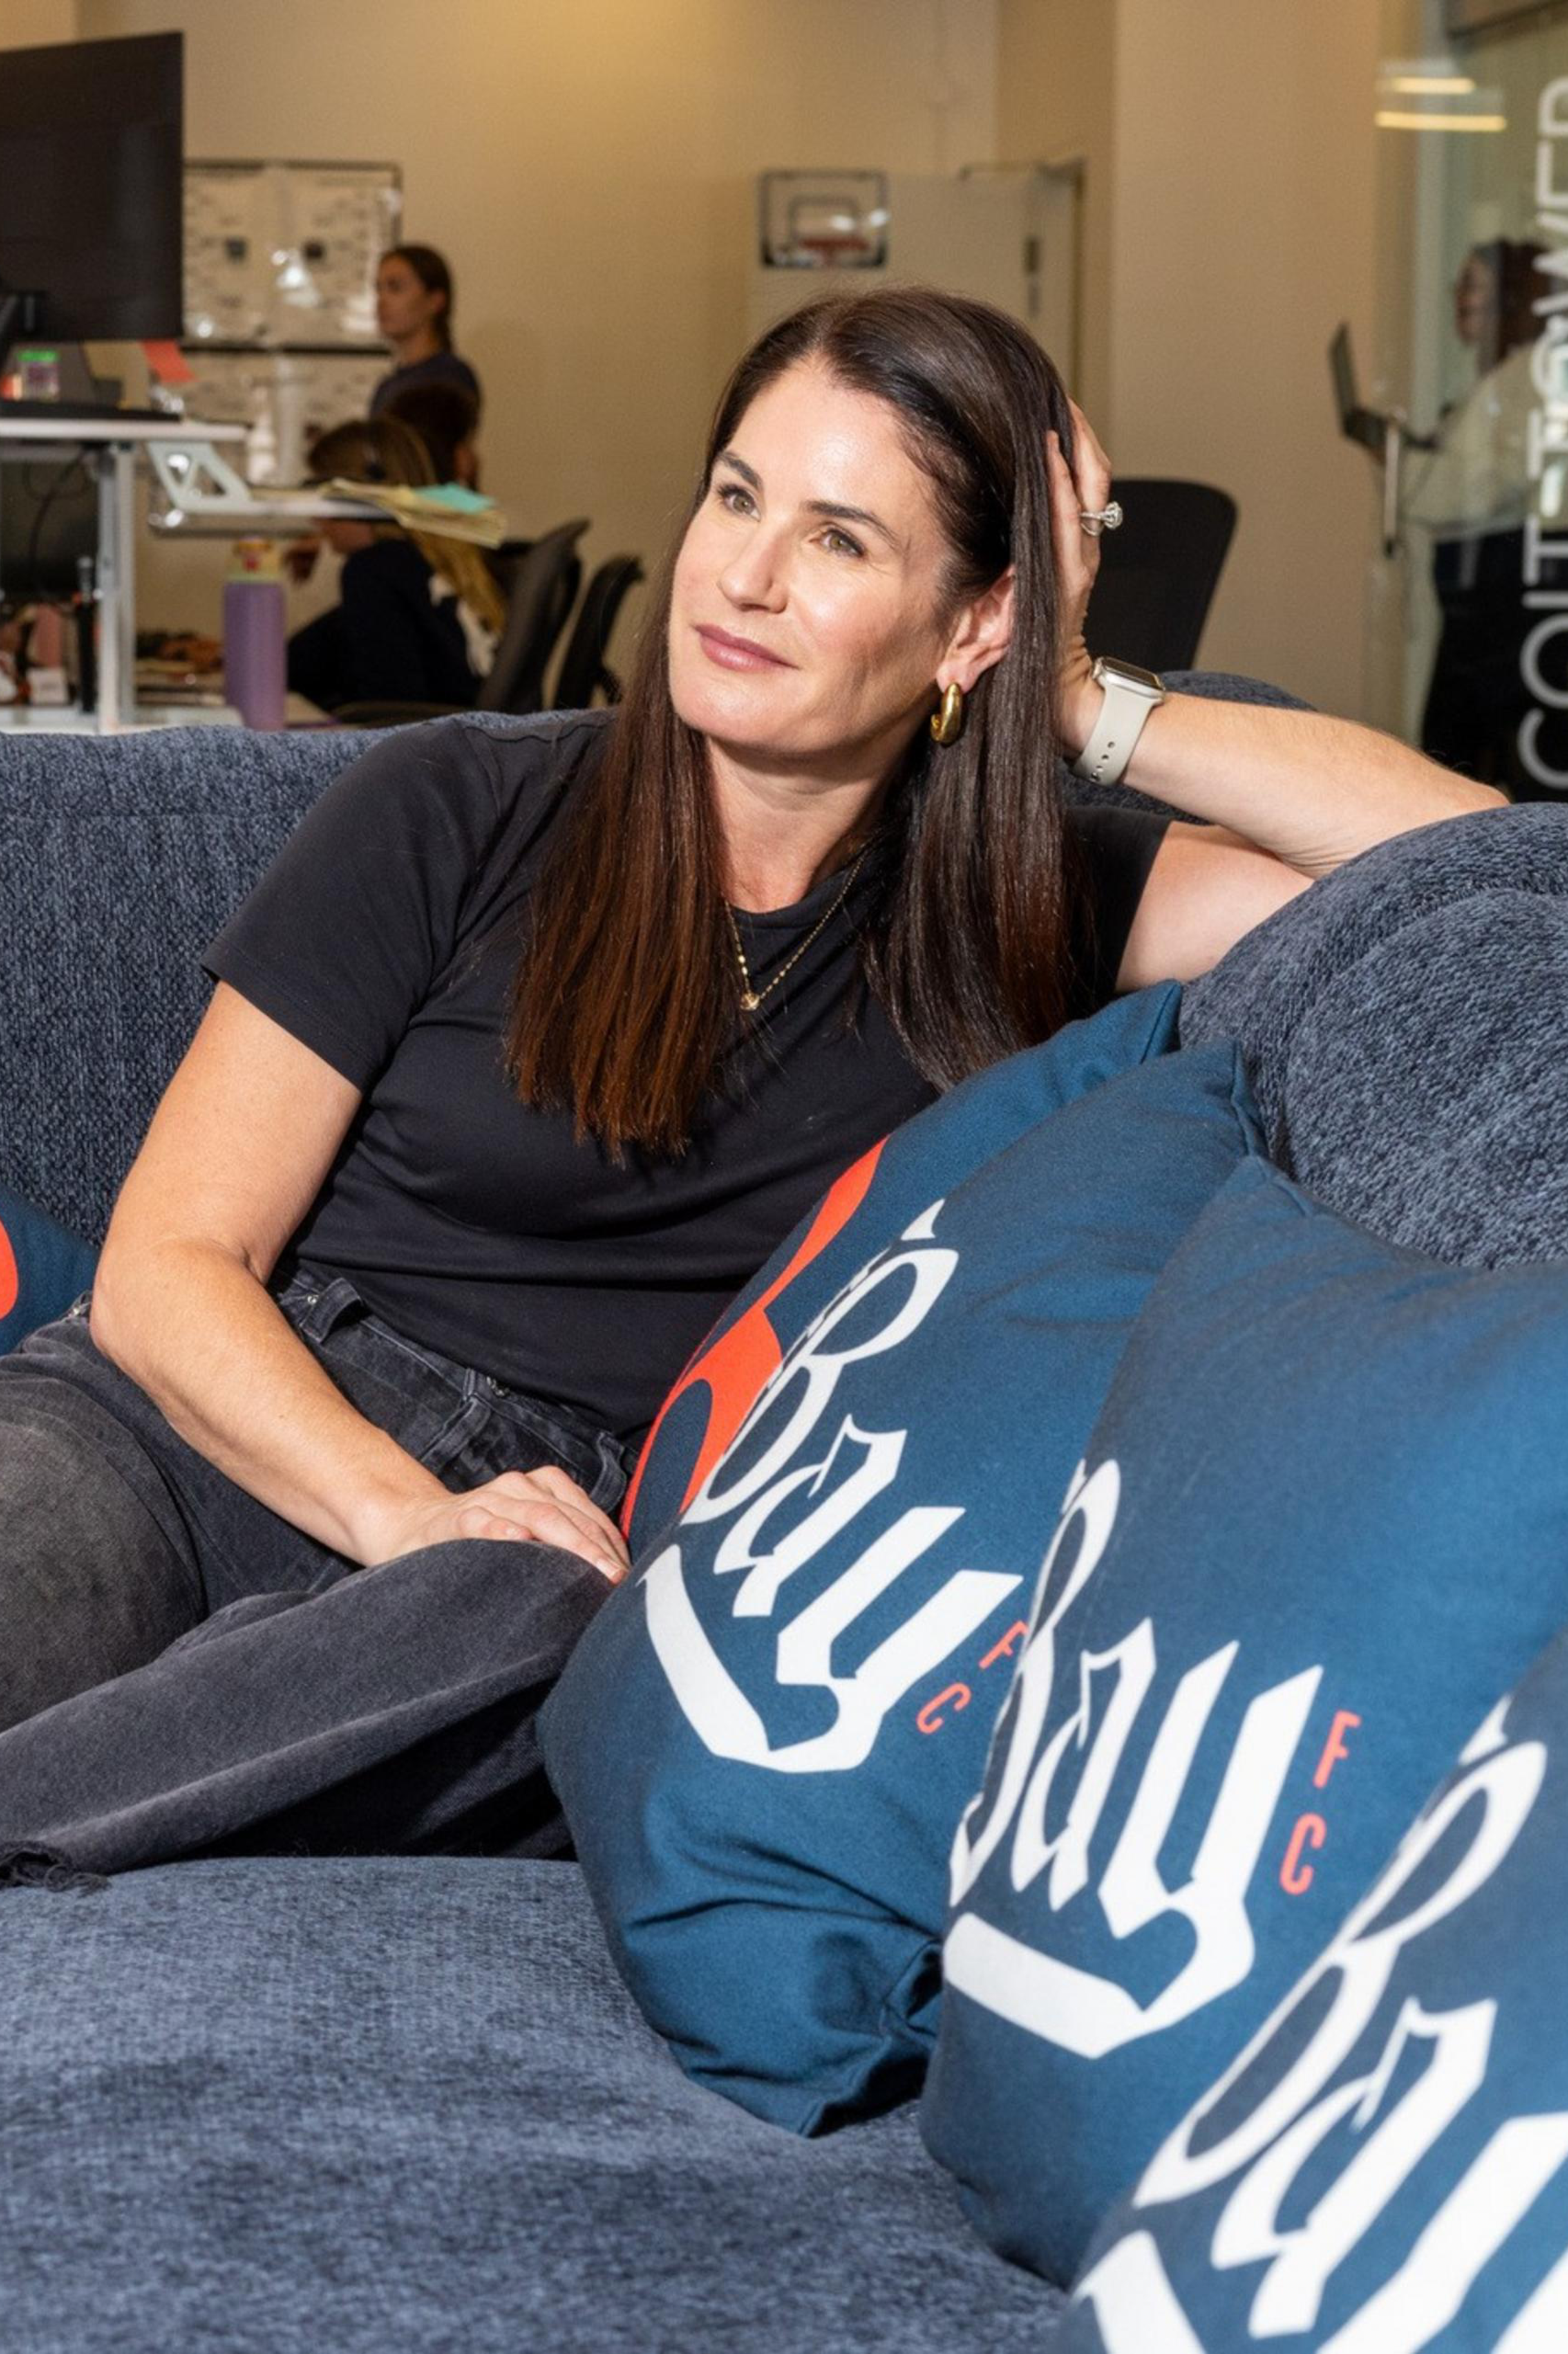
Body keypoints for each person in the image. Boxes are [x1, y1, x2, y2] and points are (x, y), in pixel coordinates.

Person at [0, 288, 1500, 1878]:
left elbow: (1468, 857)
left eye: (840, 541)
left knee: (546, 1621)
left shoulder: (1025, 905)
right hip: (223, 1428)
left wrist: (1064, 691)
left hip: (565, 1573)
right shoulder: (455, 804)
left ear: (967, 621)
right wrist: (400, 1515)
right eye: (735, 495)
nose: (744, 575)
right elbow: (172, 1269)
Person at [1406, 239, 1551, 788]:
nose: (1459, 300)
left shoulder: (1525, 380)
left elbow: (1481, 486)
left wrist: (1405, 469)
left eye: (1472, 286)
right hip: (1486, 593)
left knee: (1458, 752)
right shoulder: (1502, 379)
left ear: (1510, 300)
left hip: (1504, 595)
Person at [284, 416, 503, 713]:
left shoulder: (373, 571)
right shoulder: (437, 562)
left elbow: (390, 710)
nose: (317, 519)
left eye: (325, 498)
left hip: (427, 750)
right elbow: (304, 656)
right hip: (473, 744)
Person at [368, 244, 482, 421]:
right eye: (379, 289)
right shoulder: (387, 386)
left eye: (395, 288)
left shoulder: (449, 378)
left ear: (435, 301)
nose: (381, 301)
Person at [381, 380, 482, 490]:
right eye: (468, 444)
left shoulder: (377, 500)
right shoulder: (466, 505)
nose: (476, 459)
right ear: (459, 455)